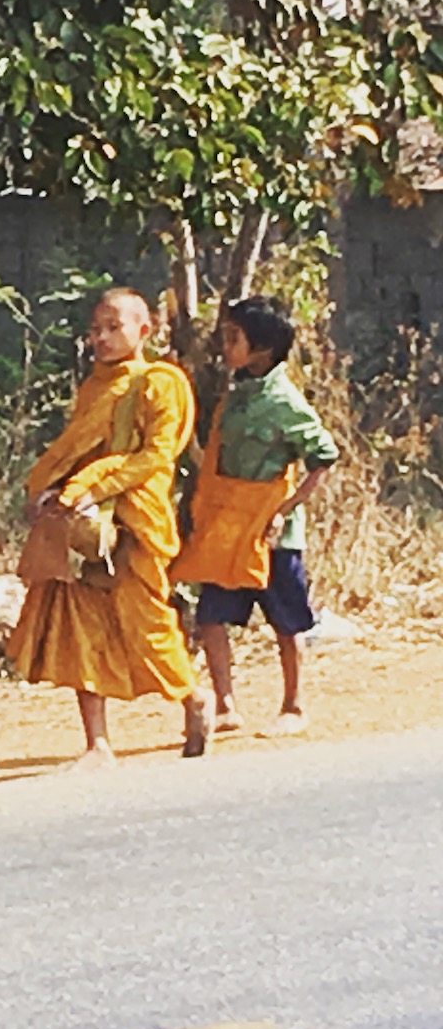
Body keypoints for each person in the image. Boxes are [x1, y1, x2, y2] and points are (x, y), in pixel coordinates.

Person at [6, 288, 214, 763]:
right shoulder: (94, 388)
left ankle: (191, 696)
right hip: (83, 526)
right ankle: (97, 742)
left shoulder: (161, 383)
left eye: (113, 327)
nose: (101, 337)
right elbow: (72, 449)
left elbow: (157, 456)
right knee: (79, 624)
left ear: (145, 330)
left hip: (136, 519)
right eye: (95, 329)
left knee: (148, 621)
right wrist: (51, 492)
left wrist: (94, 488)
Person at [173, 295, 338, 736]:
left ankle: (294, 707)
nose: (226, 345)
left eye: (234, 338)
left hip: (272, 534)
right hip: (228, 527)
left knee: (286, 622)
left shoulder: (285, 402)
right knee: (211, 615)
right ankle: (226, 705)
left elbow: (323, 457)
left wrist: (286, 509)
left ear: (263, 349)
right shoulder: (236, 392)